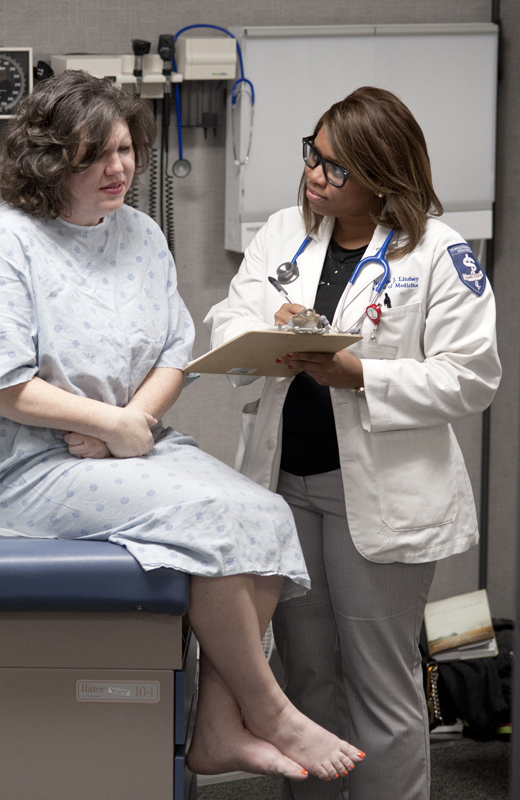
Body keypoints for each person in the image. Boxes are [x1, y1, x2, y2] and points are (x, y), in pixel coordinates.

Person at [0, 70, 366, 784]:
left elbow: (176, 352)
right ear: (49, 161)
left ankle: (218, 726)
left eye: (126, 148)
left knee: (260, 512)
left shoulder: (139, 233)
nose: (118, 168)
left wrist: (128, 427)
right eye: (93, 154)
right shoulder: (2, 240)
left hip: (122, 446)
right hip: (18, 467)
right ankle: (270, 708)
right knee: (213, 514)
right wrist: (116, 426)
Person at [205, 86, 501, 800]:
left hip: (382, 498)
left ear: (382, 174)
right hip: (284, 484)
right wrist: (264, 332)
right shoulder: (282, 232)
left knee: (380, 687)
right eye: (313, 153)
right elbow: (226, 317)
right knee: (304, 678)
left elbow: (471, 377)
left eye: (336, 167)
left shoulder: (438, 253)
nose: (315, 174)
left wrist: (358, 374)